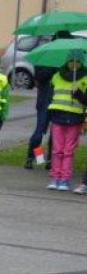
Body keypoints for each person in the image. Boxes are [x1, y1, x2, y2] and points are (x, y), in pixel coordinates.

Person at [44, 53, 87, 191]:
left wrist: (79, 93)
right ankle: (55, 177)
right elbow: (50, 98)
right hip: (57, 117)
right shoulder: (56, 76)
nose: (74, 64)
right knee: (57, 150)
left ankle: (65, 179)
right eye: (71, 61)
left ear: (82, 63)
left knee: (68, 151)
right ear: (66, 62)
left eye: (77, 62)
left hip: (75, 118)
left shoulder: (85, 77)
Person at [25, 60, 57, 170]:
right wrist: (53, 68)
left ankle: (49, 160)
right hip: (44, 101)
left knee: (55, 134)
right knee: (39, 133)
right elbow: (38, 77)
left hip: (59, 103)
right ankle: (33, 158)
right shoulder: (44, 59)